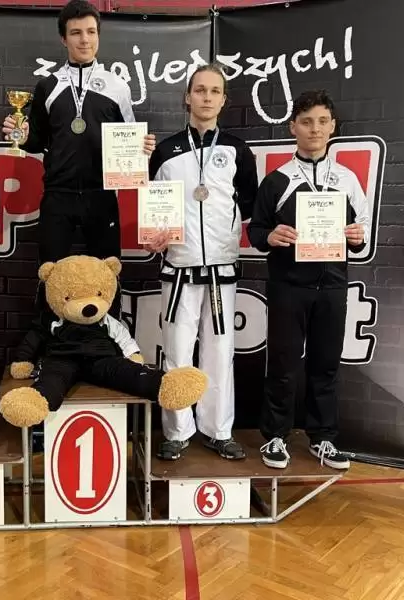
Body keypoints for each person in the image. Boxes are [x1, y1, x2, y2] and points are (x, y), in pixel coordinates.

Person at [1, 0, 156, 317]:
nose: (84, 40)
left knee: (107, 274)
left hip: (101, 195)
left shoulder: (117, 86)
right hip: (58, 195)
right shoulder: (48, 86)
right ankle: (47, 340)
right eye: (76, 33)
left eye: (90, 32)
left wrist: (142, 148)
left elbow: (128, 139)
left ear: (98, 35)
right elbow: (36, 141)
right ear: (64, 39)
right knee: (50, 273)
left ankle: (110, 341)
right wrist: (20, 134)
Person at [247, 89, 369, 470]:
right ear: (293, 128)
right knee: (282, 365)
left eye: (322, 121)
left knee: (326, 364)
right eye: (306, 122)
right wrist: (270, 236)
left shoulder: (348, 180)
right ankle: (275, 437)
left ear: (332, 127)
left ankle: (323, 438)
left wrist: (357, 236)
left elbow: (362, 234)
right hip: (288, 287)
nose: (314, 129)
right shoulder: (277, 181)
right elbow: (255, 232)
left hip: (332, 287)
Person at [146, 64, 258, 461]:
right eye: (200, 90)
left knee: (219, 354)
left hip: (221, 272)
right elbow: (154, 208)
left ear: (223, 100)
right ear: (187, 97)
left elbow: (247, 206)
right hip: (178, 269)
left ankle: (218, 430)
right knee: (176, 353)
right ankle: (176, 431)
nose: (206, 97)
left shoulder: (238, 151)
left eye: (214, 91)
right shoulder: (165, 151)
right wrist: (155, 238)